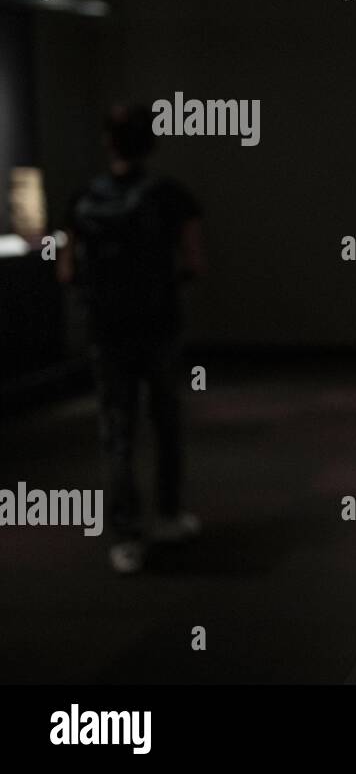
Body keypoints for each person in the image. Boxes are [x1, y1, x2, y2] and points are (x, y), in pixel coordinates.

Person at [58, 105, 205, 574]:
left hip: (106, 331)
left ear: (108, 143)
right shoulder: (171, 196)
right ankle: (168, 516)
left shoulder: (81, 199)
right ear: (150, 143)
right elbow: (195, 261)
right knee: (165, 421)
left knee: (116, 433)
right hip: (158, 324)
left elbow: (65, 268)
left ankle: (125, 537)